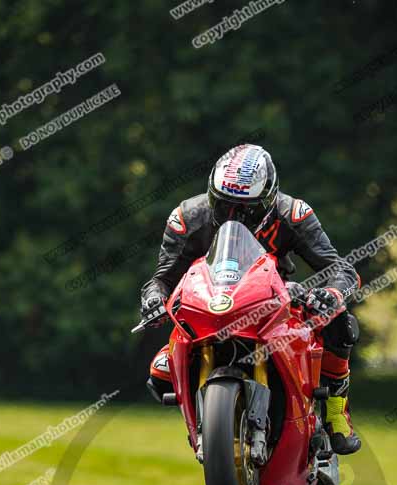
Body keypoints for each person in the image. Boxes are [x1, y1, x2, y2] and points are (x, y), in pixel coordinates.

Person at [140, 144, 361, 454]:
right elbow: (162, 278)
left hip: (271, 298)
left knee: (341, 322)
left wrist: (332, 294)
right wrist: (153, 299)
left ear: (269, 202)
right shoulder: (187, 217)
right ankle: (205, 417)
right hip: (207, 302)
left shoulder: (293, 214)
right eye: (225, 206)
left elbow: (341, 269)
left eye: (247, 209)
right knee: (159, 375)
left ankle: (337, 411)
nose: (234, 216)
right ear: (211, 195)